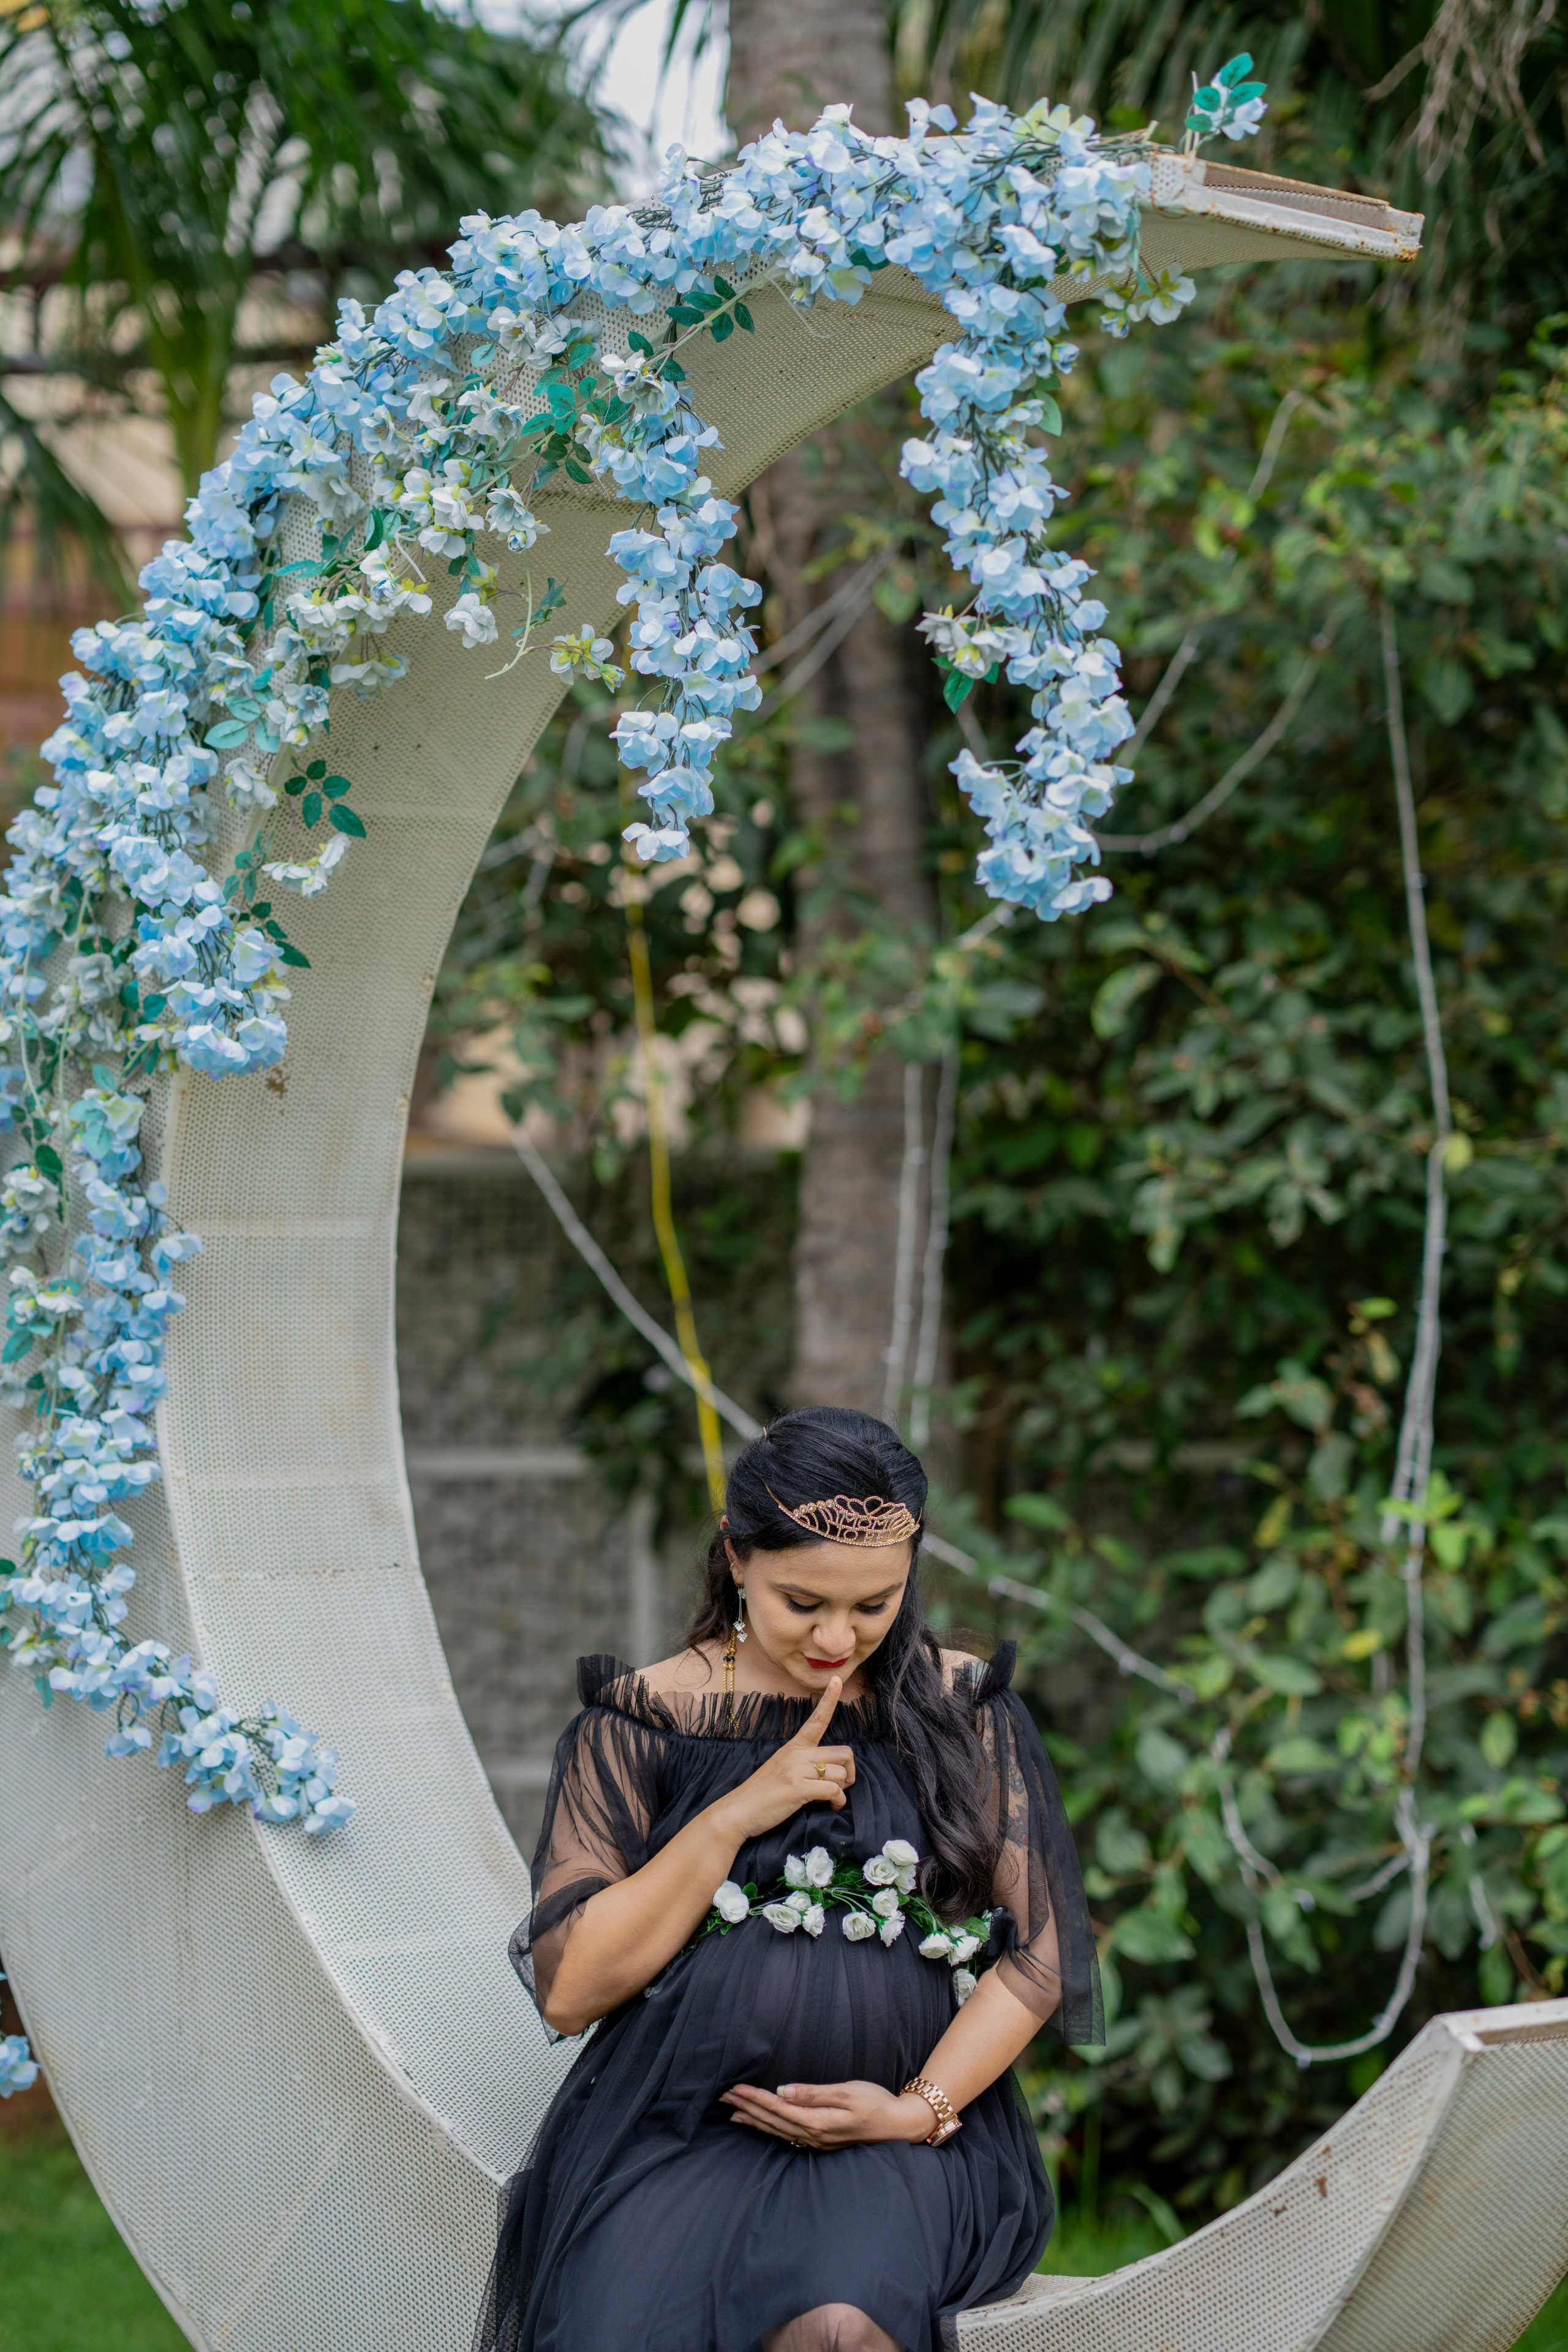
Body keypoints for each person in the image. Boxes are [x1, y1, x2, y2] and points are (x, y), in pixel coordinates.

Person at [475, 1406, 1101, 2352]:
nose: (837, 1639)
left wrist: (915, 2109)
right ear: (736, 1557)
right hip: (678, 2133)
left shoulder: (958, 1707)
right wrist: (731, 1817)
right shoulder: (647, 1721)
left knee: (840, 2327)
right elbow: (570, 1991)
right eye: (803, 1604)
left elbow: (1050, 1946)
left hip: (903, 2142)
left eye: (873, 1605)